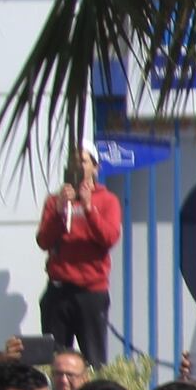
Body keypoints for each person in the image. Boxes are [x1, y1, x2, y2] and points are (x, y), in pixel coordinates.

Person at [36, 148, 119, 365]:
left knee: (93, 359)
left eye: (83, 161)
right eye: (74, 161)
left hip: (90, 291)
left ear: (95, 167)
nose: (78, 166)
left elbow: (109, 237)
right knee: (54, 359)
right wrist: (59, 211)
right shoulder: (55, 200)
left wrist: (89, 207)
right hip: (59, 289)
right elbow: (43, 240)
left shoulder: (107, 200)